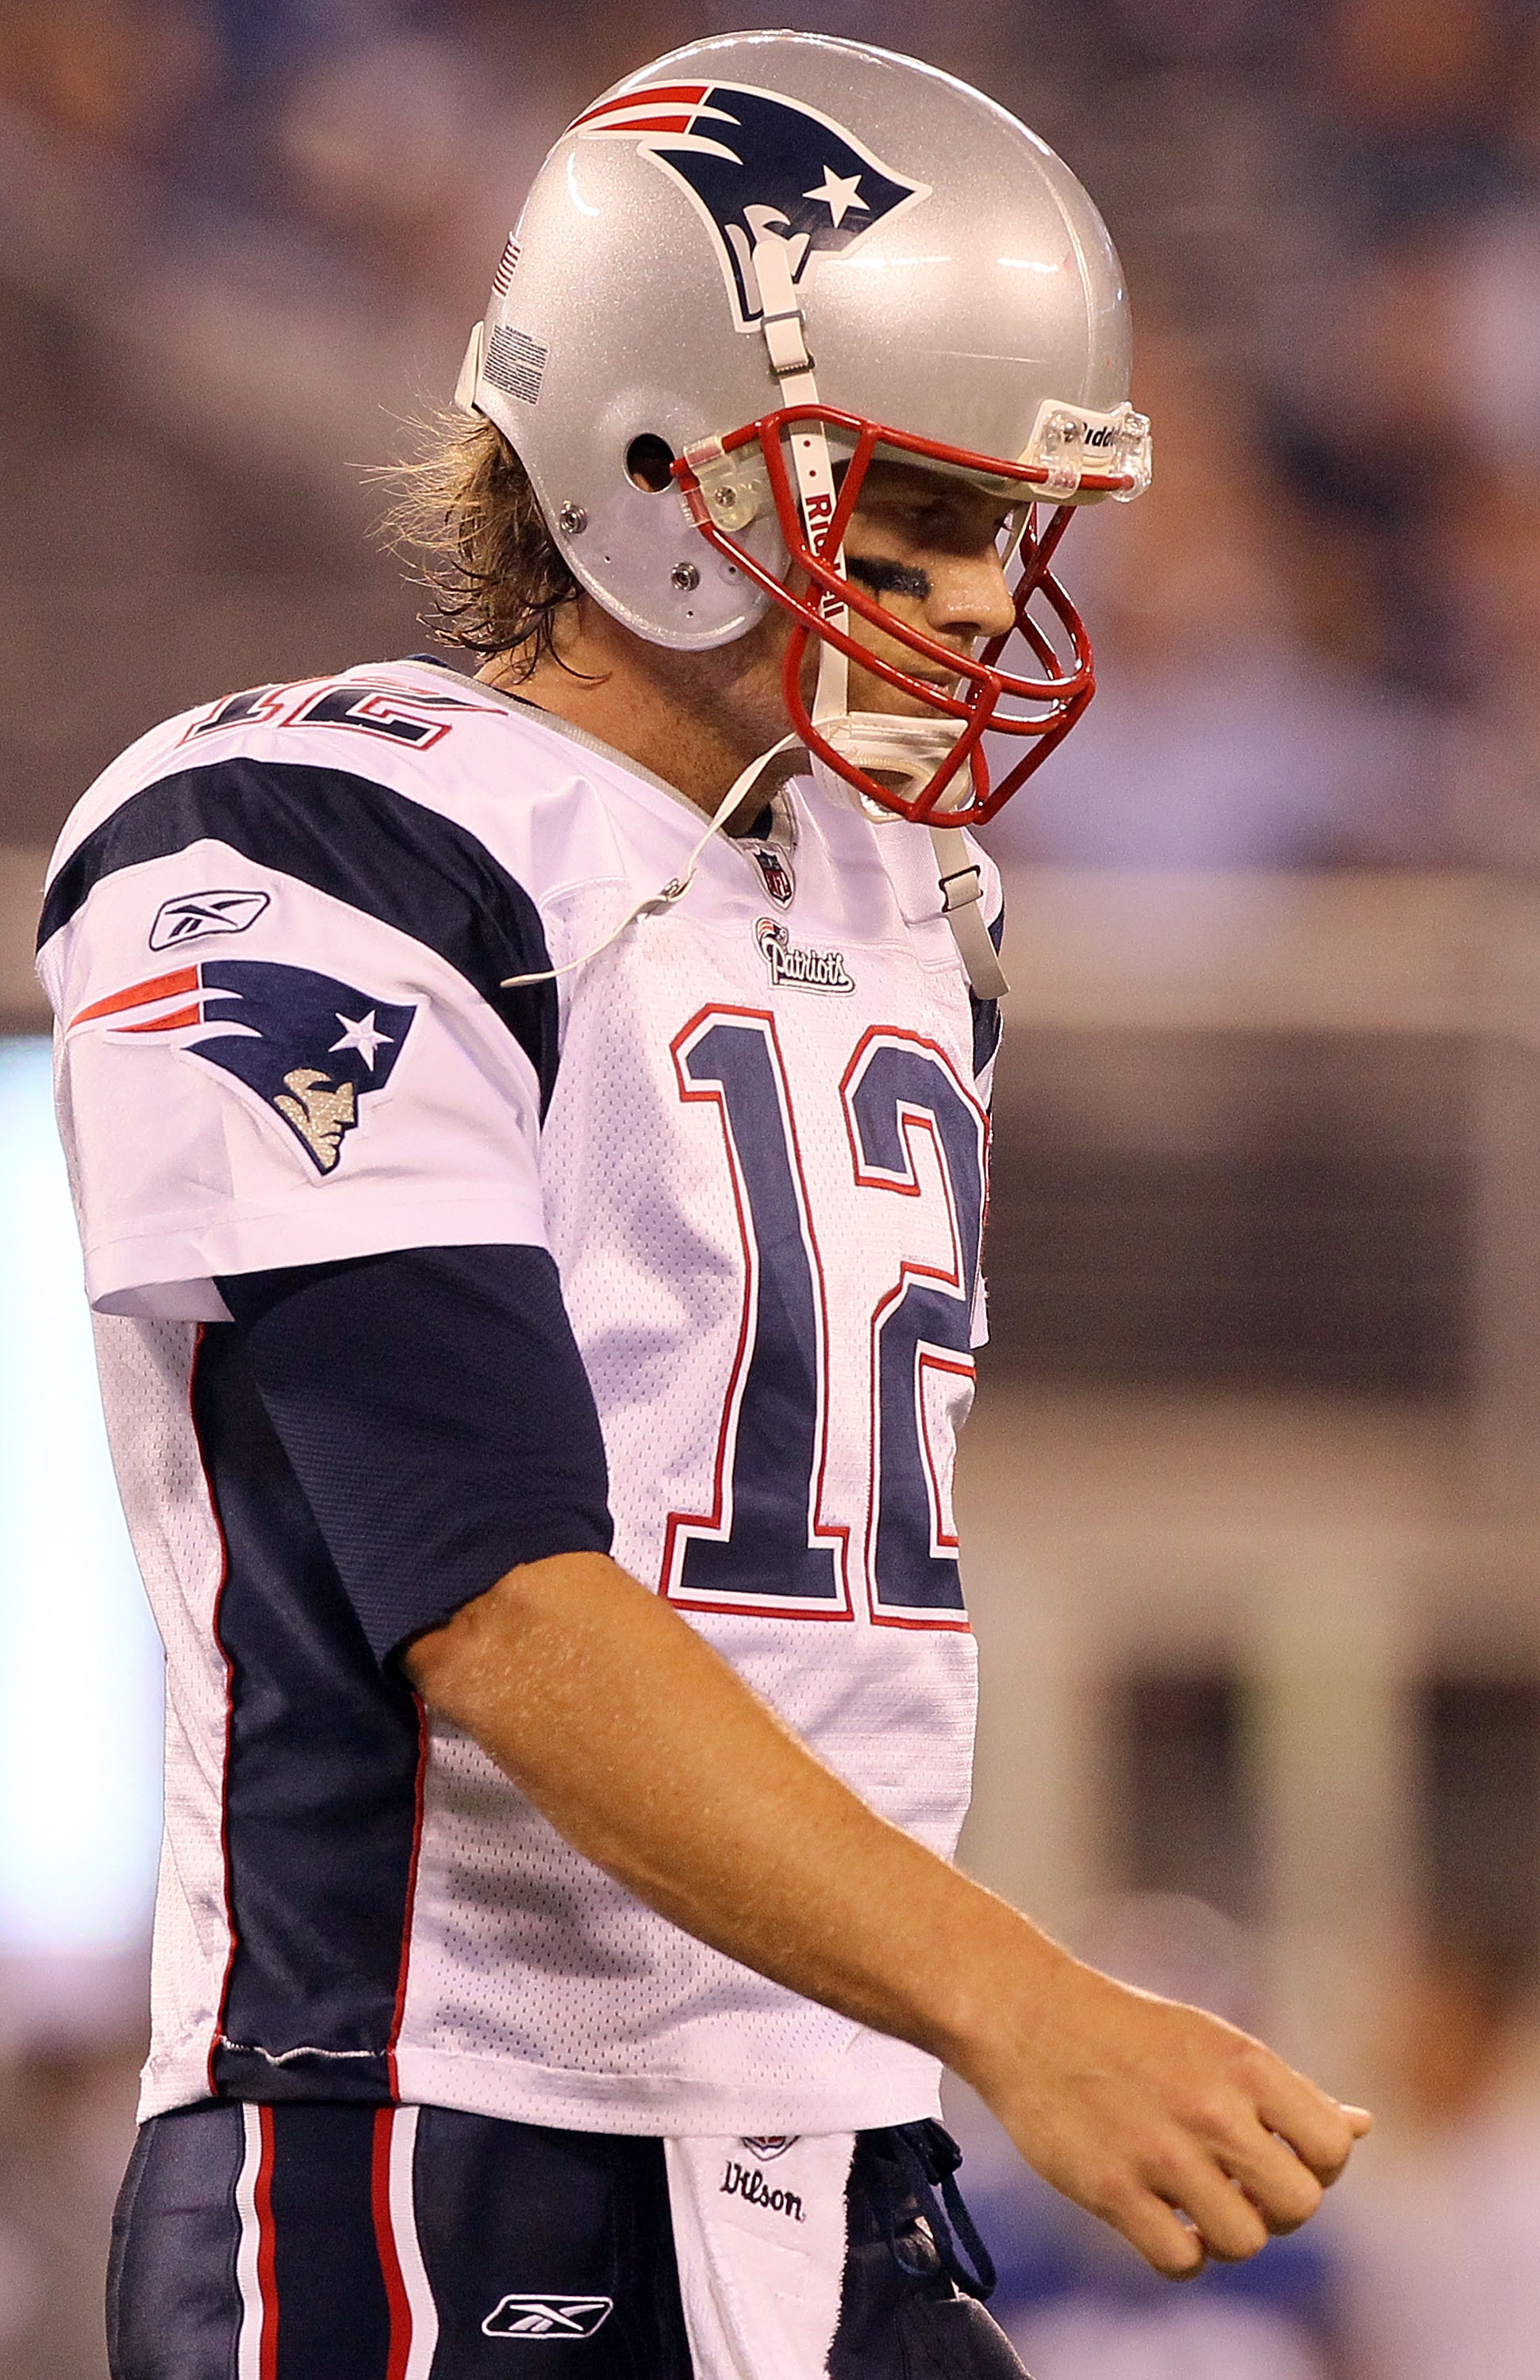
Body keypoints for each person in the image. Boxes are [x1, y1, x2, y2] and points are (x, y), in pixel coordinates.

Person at [36, 32, 1369, 2380]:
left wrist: (946, 2028)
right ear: (664, 464)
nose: (987, 599)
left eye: (1015, 529)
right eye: (923, 513)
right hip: (431, 2136)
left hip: (840, 2151)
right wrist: (1022, 2001)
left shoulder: (900, 898)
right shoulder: (307, 846)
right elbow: (497, 1602)